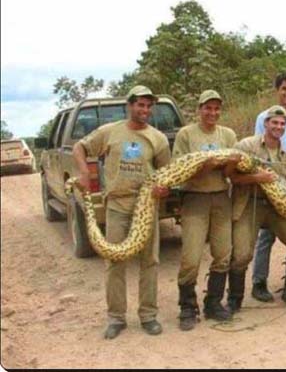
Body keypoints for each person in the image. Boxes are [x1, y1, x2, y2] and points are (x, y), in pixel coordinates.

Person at [72, 85, 171, 339]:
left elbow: (165, 174)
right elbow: (79, 148)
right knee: (115, 261)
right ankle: (116, 318)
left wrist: (163, 190)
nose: (145, 110)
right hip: (117, 203)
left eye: (149, 106)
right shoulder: (110, 132)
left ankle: (148, 315)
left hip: (146, 205)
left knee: (150, 261)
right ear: (129, 105)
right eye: (140, 104)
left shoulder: (158, 138)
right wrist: (84, 172)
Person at [226, 105, 286, 310]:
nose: (278, 127)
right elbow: (231, 176)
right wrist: (257, 178)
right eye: (274, 122)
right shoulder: (246, 146)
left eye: (282, 124)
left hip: (275, 209)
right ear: (265, 123)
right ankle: (234, 300)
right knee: (242, 254)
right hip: (249, 204)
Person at [172, 90, 238, 330]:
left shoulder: (228, 135)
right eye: (208, 108)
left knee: (223, 254)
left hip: (221, 197)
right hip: (194, 199)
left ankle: (213, 303)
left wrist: (227, 165)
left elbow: (232, 172)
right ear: (199, 109)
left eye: (216, 108)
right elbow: (180, 173)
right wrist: (204, 166)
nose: (212, 113)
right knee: (191, 256)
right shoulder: (186, 135)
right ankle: (188, 307)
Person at [251, 72, 286, 303]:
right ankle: (259, 281)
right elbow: (258, 148)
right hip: (270, 183)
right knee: (267, 236)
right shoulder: (264, 117)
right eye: (284, 88)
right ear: (277, 91)